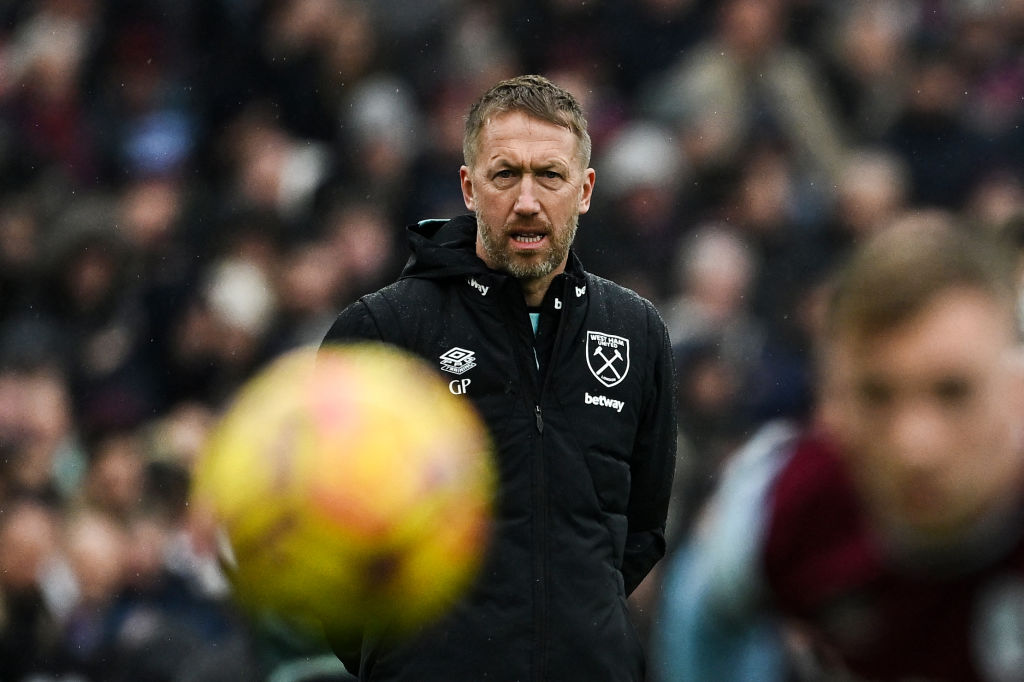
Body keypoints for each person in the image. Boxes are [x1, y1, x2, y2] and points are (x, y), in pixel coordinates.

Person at [320, 74, 677, 681]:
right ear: (468, 186)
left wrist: (575, 628)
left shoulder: (636, 332)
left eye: (550, 175)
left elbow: (640, 529)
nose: (528, 201)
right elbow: (324, 533)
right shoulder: (384, 332)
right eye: (505, 174)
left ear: (585, 190)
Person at [651, 215, 1024, 681]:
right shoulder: (781, 503)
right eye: (875, 395)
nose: (915, 445)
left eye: (954, 391)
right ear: (833, 406)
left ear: (1015, 390)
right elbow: (701, 616)